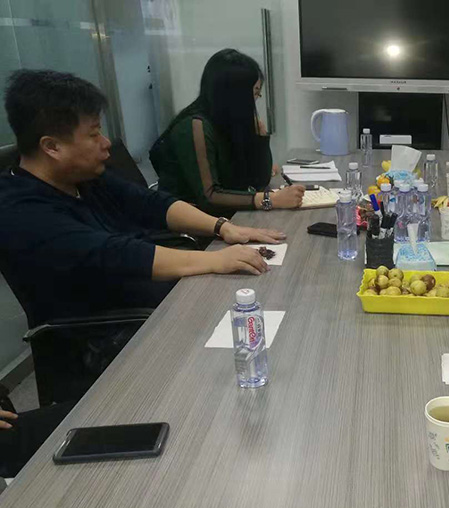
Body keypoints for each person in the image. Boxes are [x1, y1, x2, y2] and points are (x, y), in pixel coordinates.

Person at [0, 69, 283, 330]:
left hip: (161, 298)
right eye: (94, 134)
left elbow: (150, 203)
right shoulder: (21, 213)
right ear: (52, 147)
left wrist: (223, 227)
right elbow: (116, 253)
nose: (106, 143)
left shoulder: (82, 177)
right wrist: (214, 260)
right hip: (116, 334)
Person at [150, 49, 304, 218]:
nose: (255, 101)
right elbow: (209, 197)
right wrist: (270, 199)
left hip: (225, 218)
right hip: (193, 225)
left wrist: (259, 136)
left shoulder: (227, 123)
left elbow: (259, 181)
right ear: (234, 94)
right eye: (254, 93)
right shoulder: (195, 126)